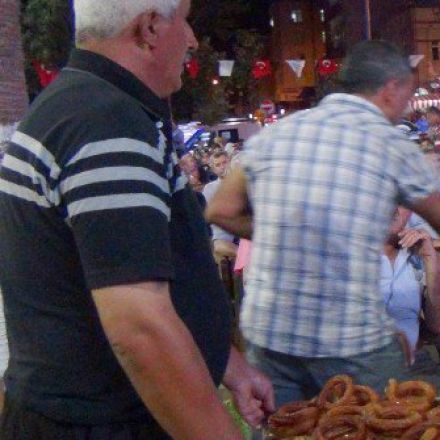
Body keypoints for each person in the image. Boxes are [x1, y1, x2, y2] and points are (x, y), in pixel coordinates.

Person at [0, 0, 274, 438]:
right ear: (149, 28)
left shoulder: (82, 104)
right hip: (99, 423)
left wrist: (229, 365)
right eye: (185, 22)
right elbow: (139, 326)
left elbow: (145, 268)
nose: (192, 40)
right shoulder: (104, 121)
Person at [205, 40, 440, 405]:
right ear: (391, 88)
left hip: (271, 333)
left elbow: (221, 211)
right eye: (408, 95)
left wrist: (287, 233)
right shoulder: (388, 144)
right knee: (384, 421)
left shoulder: (277, 133)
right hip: (349, 335)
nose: (407, 107)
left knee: (289, 425)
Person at [382, 207, 440, 389]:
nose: (393, 208)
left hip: (415, 364)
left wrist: (430, 260)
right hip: (363, 364)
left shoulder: (415, 253)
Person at [202, 151, 239, 263]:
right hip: (224, 230)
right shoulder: (209, 188)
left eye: (224, 162)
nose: (222, 167)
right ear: (213, 169)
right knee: (219, 245)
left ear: (230, 162)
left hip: (244, 225)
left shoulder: (242, 182)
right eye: (218, 165)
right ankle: (245, 257)